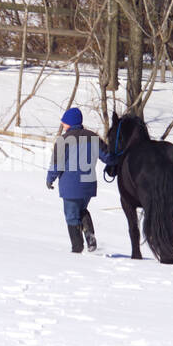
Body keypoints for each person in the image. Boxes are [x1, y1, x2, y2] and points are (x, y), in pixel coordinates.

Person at [46, 107, 108, 253]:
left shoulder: (64, 140)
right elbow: (107, 156)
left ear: (69, 123)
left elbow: (56, 164)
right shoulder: (93, 137)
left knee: (72, 216)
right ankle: (90, 236)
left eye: (64, 122)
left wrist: (50, 179)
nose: (62, 124)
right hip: (88, 185)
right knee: (82, 209)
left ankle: (77, 250)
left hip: (70, 186)